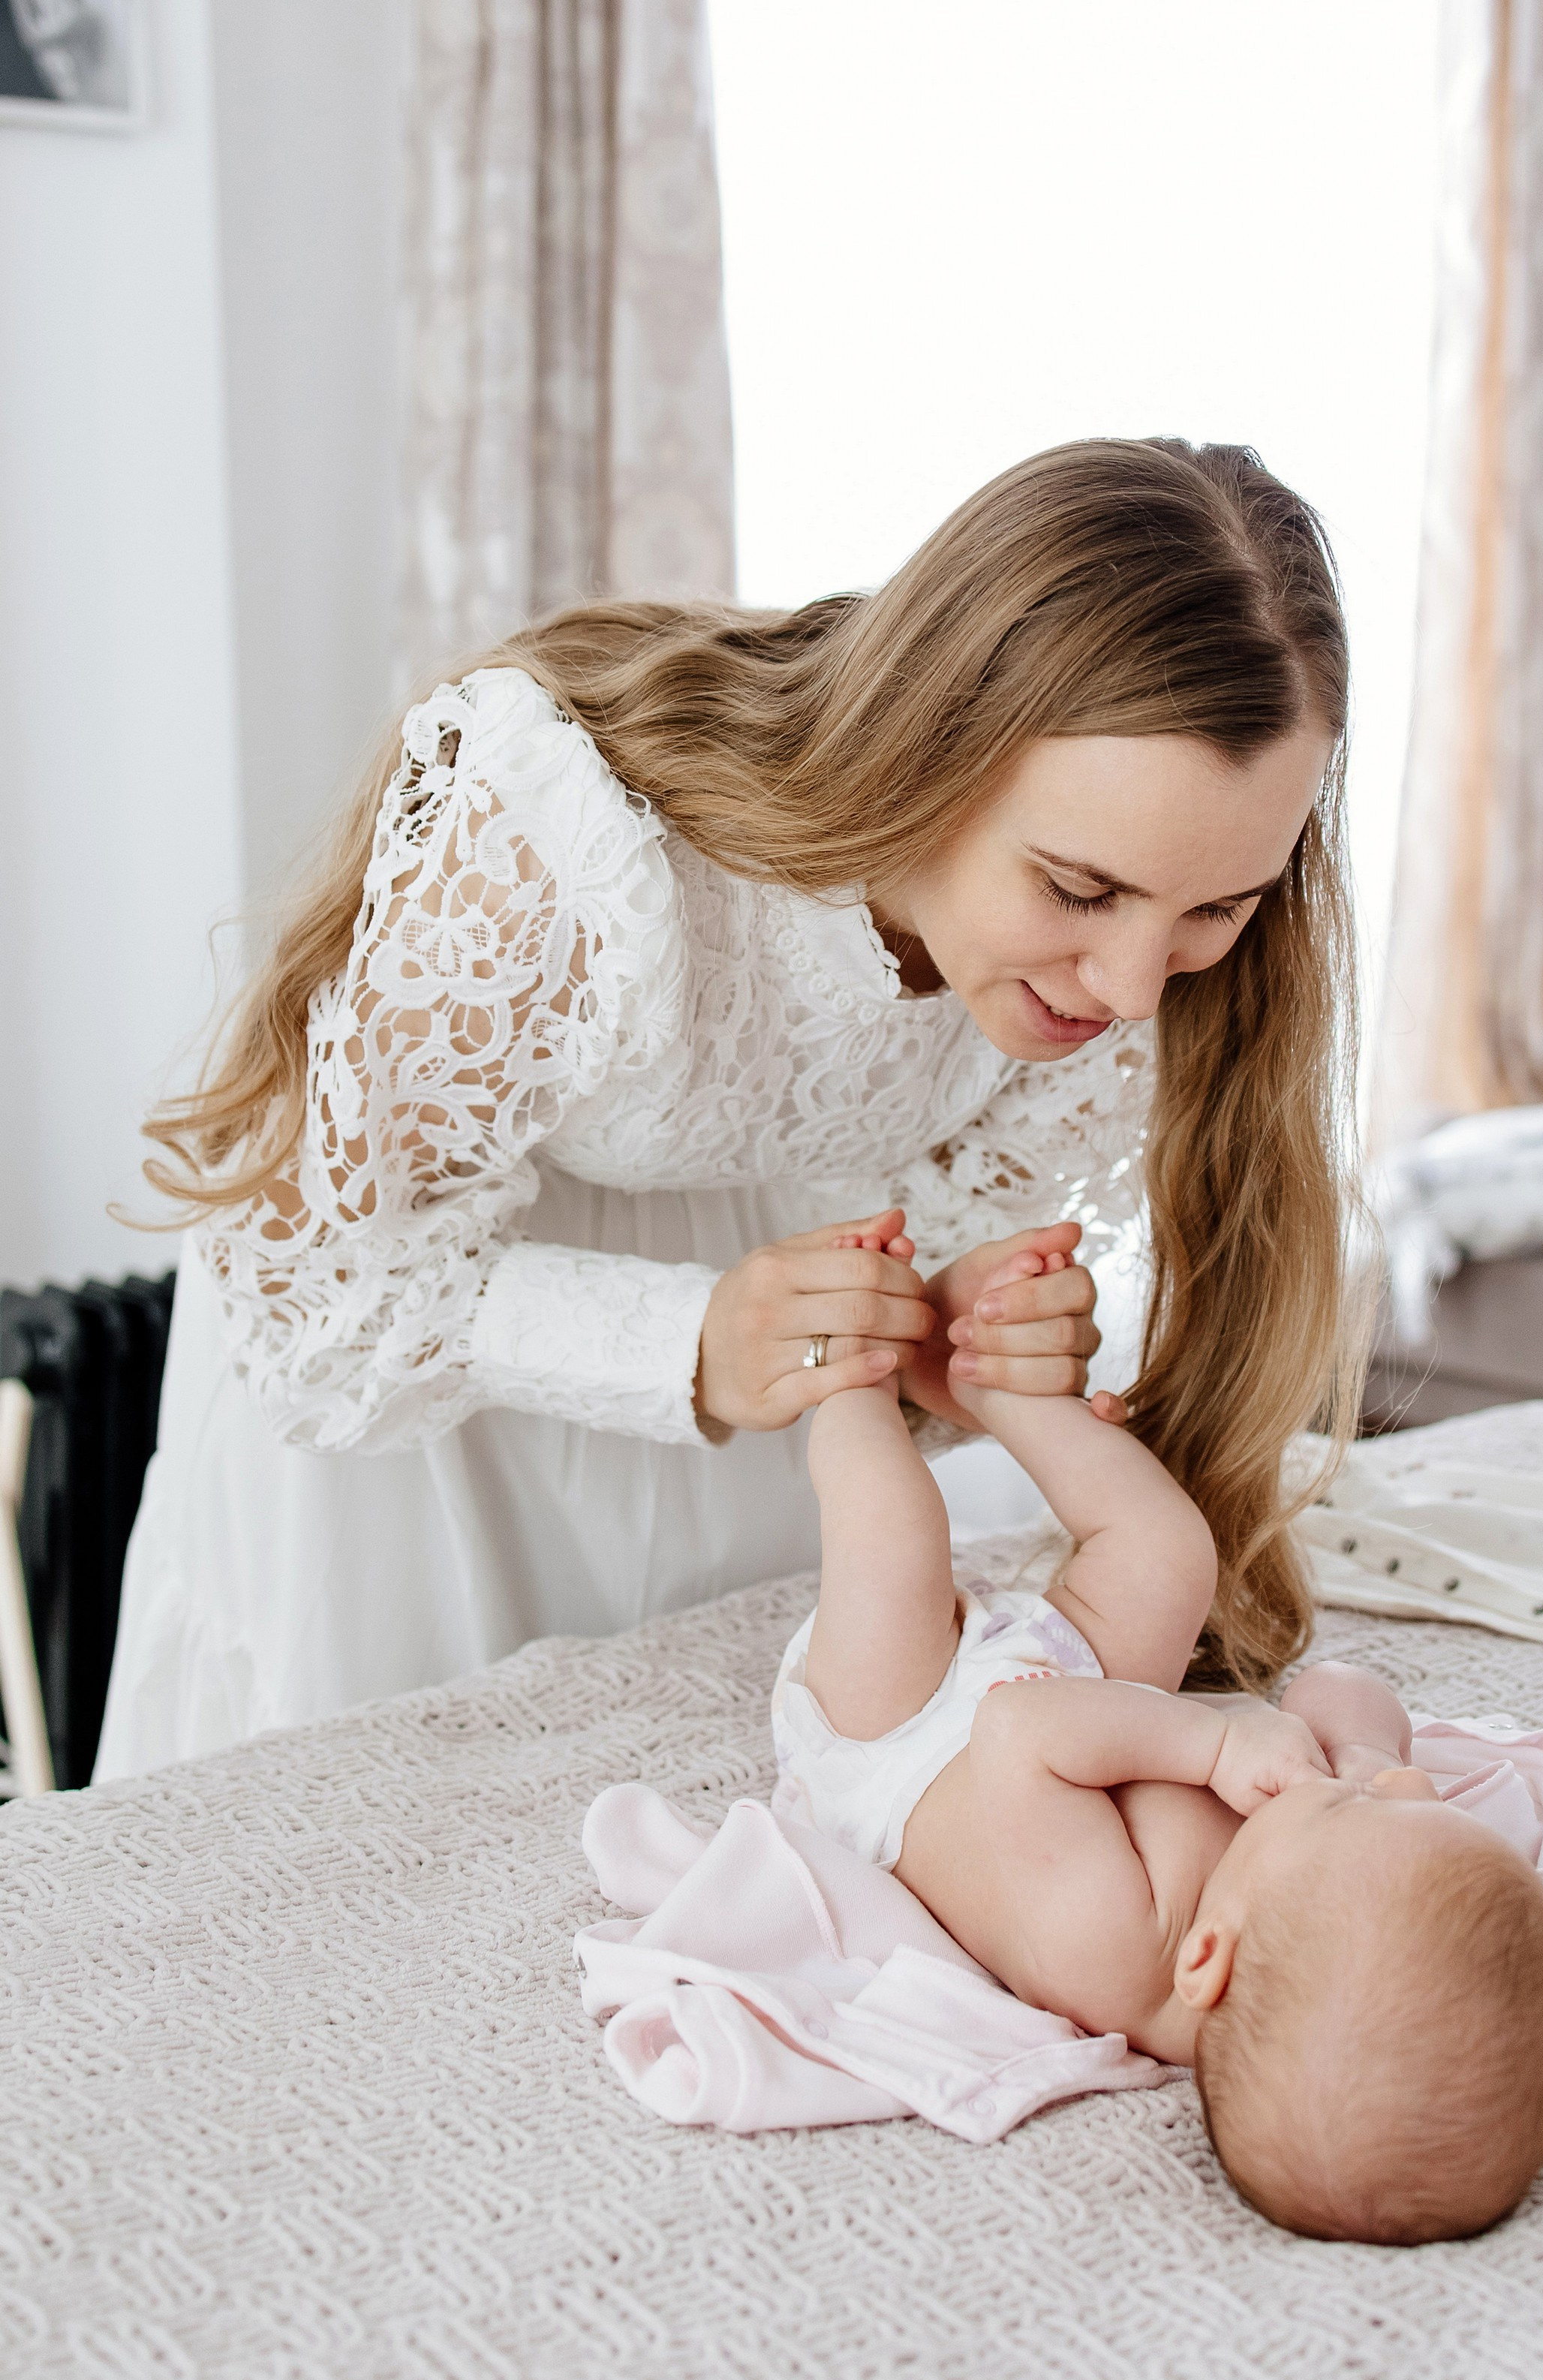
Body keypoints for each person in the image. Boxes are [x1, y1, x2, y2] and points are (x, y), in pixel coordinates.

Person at [98, 438, 1362, 1779]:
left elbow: (922, 1238)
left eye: (1216, 908)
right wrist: (690, 1339)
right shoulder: (562, 832)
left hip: (758, 1435)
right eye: (1076, 888)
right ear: (929, 755)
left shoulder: (1135, 962)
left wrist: (940, 1325)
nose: (1127, 987)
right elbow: (307, 1276)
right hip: (430, 1435)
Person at [775, 1238, 1543, 2244]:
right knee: (1166, 1554)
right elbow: (1336, 1686)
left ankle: (848, 1374)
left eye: (1358, 1803)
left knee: (891, 1530)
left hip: (901, 1737)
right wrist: (1360, 1761)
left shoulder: (1111, 1950)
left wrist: (1216, 1753)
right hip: (1083, 1681)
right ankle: (1000, 1385)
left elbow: (1019, 1732)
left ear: (1205, 1958)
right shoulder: (1319, 1899)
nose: (1406, 1786)